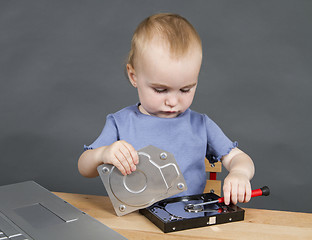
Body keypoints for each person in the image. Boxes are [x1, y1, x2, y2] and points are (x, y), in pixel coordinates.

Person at [78, 13, 255, 205]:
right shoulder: (120, 122)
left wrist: (239, 173)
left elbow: (239, 158)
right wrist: (103, 154)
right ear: (133, 76)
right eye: (161, 90)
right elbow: (84, 167)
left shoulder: (200, 125)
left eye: (185, 89)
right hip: (135, 221)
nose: (173, 101)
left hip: (188, 221)